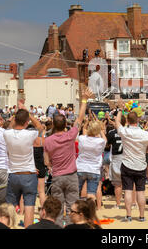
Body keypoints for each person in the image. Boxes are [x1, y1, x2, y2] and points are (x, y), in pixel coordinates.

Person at [44, 88, 94, 226]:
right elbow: (80, 118)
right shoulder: (70, 135)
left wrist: (52, 165)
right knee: (73, 208)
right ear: (65, 124)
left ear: (53, 124)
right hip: (71, 175)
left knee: (58, 209)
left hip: (58, 176)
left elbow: (47, 161)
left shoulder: (48, 140)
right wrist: (84, 100)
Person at [114, 99, 148, 222]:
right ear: (138, 120)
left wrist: (121, 109)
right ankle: (142, 216)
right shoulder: (145, 134)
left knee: (127, 190)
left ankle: (128, 215)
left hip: (127, 164)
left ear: (127, 121)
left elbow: (117, 122)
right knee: (141, 192)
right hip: (141, 165)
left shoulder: (124, 132)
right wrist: (144, 151)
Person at [4, 100, 43, 228]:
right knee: (29, 206)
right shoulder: (30, 134)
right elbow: (40, 127)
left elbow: (10, 126)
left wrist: (17, 114)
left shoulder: (7, 134)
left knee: (9, 208)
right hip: (29, 174)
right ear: (27, 123)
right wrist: (28, 113)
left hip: (13, 174)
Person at [76, 120, 107, 202]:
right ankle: (90, 212)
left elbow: (83, 132)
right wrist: (100, 130)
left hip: (80, 167)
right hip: (94, 169)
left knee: (75, 193)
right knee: (91, 194)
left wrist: (85, 124)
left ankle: (73, 211)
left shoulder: (82, 138)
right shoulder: (100, 141)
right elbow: (105, 139)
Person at [106, 116, 126, 208]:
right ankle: (133, 203)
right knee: (129, 183)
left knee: (118, 184)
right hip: (127, 157)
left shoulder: (111, 133)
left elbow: (107, 144)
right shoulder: (127, 131)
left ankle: (118, 204)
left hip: (117, 157)